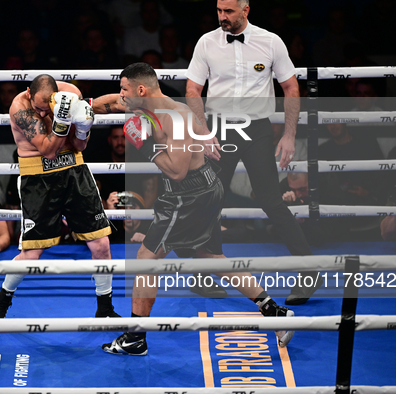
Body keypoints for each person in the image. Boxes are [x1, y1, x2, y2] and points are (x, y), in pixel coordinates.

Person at [93, 62, 294, 356]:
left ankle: (135, 338)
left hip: (188, 194)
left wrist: (145, 144)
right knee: (210, 256)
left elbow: (177, 172)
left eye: (125, 90)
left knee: (146, 258)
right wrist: (83, 106)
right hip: (203, 189)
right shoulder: (142, 104)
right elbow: (107, 103)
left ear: (141, 90)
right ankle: (274, 312)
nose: (121, 96)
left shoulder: (175, 117)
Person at [184, 0, 320, 305]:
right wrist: (204, 132)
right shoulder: (207, 42)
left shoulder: (270, 42)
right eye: (219, 11)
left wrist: (289, 135)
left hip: (257, 129)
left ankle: (310, 272)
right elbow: (193, 89)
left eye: (229, 11)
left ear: (246, 9)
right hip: (219, 129)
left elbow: (291, 87)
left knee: (271, 201)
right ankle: (205, 273)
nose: (222, 17)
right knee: (209, 201)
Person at [0, 74, 118, 319]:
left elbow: (79, 147)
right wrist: (62, 118)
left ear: (57, 95)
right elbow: (48, 151)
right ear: (28, 94)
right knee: (33, 252)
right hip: (38, 178)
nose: (43, 113)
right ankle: (4, 296)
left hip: (74, 171)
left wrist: (82, 126)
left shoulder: (70, 93)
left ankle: (105, 308)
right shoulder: (20, 107)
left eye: (48, 108)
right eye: (39, 108)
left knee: (101, 244)